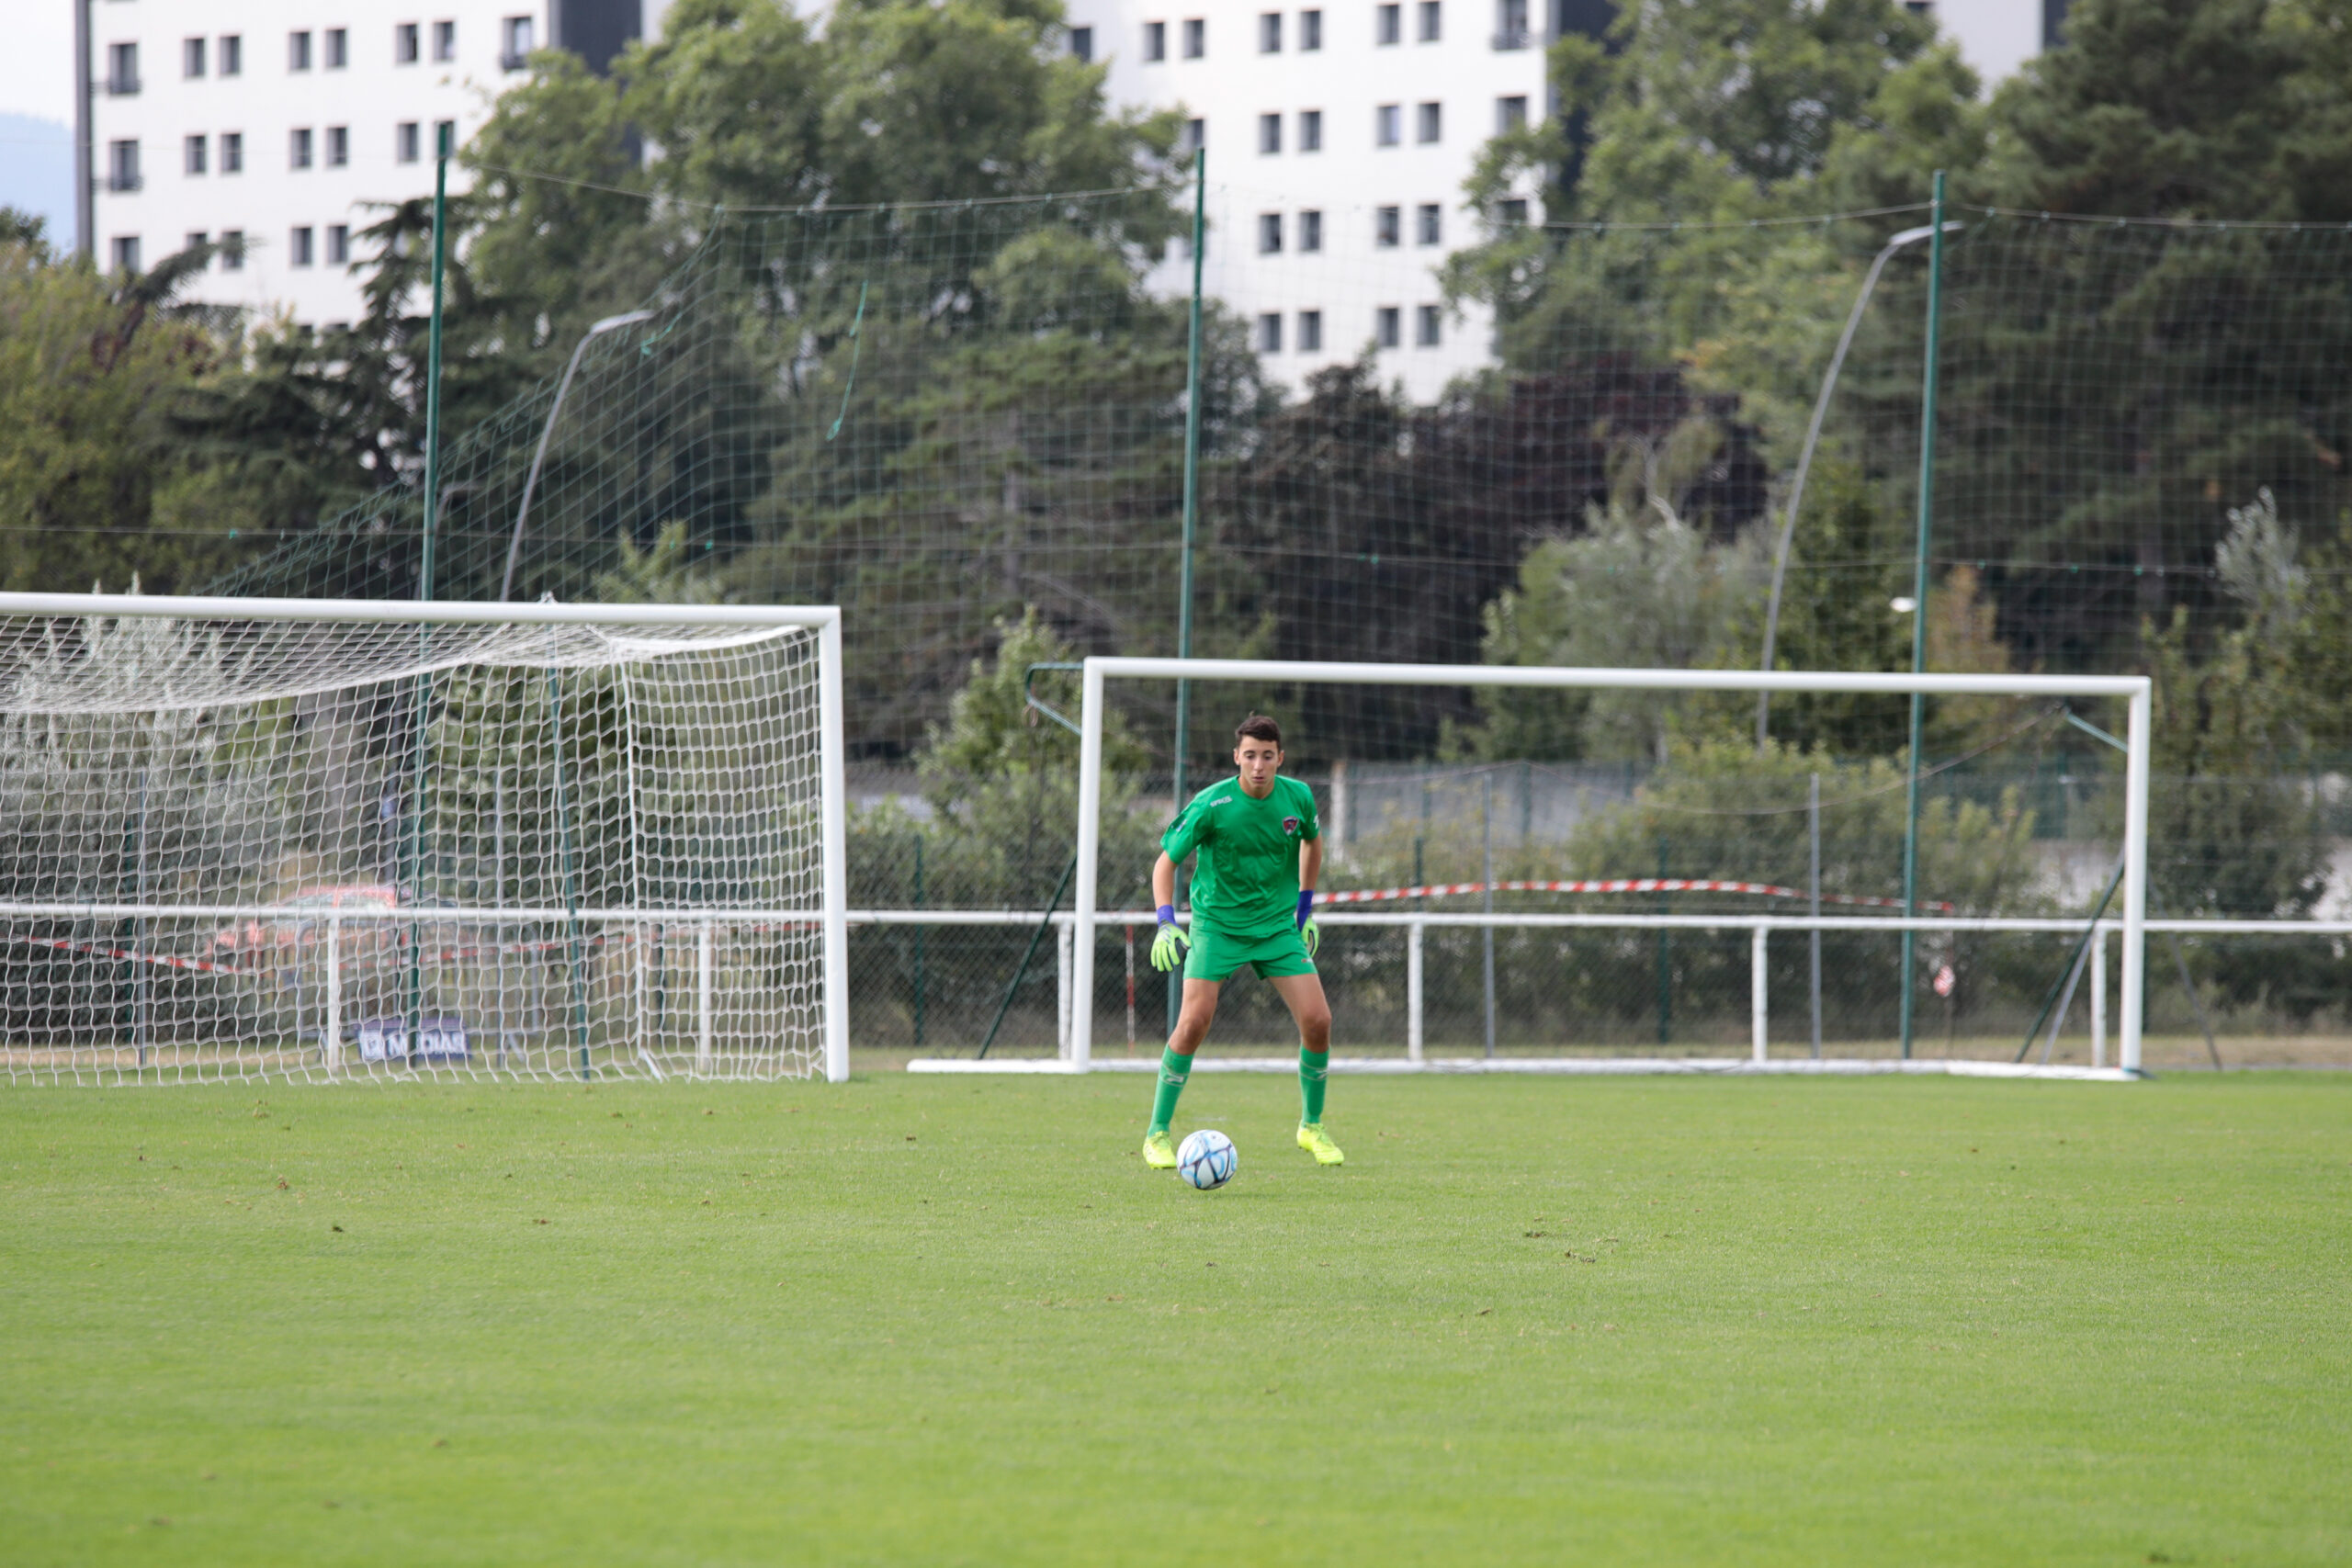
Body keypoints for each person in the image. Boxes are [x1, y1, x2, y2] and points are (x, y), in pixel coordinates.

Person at [1141, 714, 1343, 1169]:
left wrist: (1305, 911)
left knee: (1318, 1020)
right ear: (1236, 757)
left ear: (1280, 758)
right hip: (1217, 926)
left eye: (1267, 756)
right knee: (1193, 1023)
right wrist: (1166, 922)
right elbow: (1164, 865)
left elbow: (1313, 842)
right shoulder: (1213, 804)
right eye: (1249, 756)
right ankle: (1156, 1133)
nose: (1258, 765)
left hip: (1275, 927)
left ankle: (1311, 1126)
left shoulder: (1299, 797)